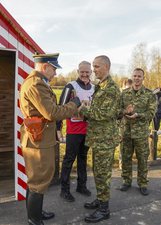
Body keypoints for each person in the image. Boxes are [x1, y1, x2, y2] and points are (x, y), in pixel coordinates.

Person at [19, 53, 82, 225]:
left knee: (37, 179)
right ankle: (34, 220)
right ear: (44, 66)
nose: (55, 73)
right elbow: (52, 113)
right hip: (38, 139)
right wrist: (73, 105)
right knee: (38, 181)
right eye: (54, 69)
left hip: (39, 137)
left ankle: (36, 213)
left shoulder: (38, 83)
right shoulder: (36, 84)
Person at [79, 55, 133, 223]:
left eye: (96, 67)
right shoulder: (101, 87)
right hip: (98, 138)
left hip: (105, 140)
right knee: (97, 172)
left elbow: (104, 113)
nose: (93, 70)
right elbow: (114, 112)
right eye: (93, 67)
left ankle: (104, 209)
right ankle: (100, 199)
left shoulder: (110, 87)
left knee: (102, 174)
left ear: (106, 67)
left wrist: (81, 110)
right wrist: (123, 111)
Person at [57, 61, 94, 202]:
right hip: (73, 130)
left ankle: (81, 186)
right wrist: (58, 128)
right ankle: (64, 190)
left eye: (87, 72)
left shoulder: (94, 88)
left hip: (88, 130)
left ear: (90, 72)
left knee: (83, 159)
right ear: (78, 72)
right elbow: (60, 108)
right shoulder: (70, 86)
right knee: (69, 159)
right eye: (82, 72)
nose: (84, 74)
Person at [119, 68, 157, 196]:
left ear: (143, 78)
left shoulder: (149, 94)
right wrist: (124, 114)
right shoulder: (124, 94)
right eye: (134, 76)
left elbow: (151, 112)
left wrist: (138, 115)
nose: (136, 78)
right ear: (132, 77)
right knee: (126, 158)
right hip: (126, 132)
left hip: (141, 133)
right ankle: (126, 181)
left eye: (139, 76)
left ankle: (142, 183)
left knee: (142, 159)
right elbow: (118, 111)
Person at [118, 78, 133, 170]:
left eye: (130, 88)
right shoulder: (120, 97)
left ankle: (129, 164)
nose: (128, 91)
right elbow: (117, 110)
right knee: (122, 146)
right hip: (123, 125)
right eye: (126, 88)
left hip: (134, 126)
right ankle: (121, 164)